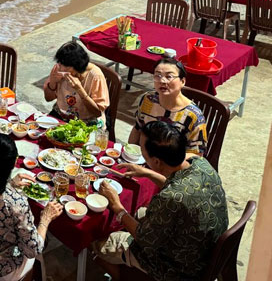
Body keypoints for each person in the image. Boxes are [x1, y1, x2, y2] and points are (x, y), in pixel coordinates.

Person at [94, 120, 228, 281]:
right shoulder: (200, 164)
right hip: (204, 251)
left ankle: (128, 276)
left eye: (143, 152)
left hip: (180, 269)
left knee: (98, 243)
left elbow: (143, 238)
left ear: (157, 161)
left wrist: (116, 206)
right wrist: (147, 172)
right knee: (138, 212)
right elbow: (179, 188)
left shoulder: (170, 198)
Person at [0, 134, 63, 281]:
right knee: (38, 245)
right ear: (14, 162)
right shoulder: (16, 203)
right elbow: (33, 250)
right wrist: (45, 219)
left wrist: (10, 184)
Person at [128, 57, 207, 156]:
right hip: (145, 157)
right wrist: (129, 154)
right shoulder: (148, 99)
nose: (162, 81)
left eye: (169, 76)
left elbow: (197, 154)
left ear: (182, 81)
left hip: (174, 163)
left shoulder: (193, 115)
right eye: (158, 75)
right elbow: (137, 128)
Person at [43, 41, 109, 124]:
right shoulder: (59, 69)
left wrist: (79, 89)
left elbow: (97, 112)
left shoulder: (96, 76)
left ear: (77, 66)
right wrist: (52, 83)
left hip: (86, 121)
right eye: (59, 63)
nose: (61, 68)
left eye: (65, 66)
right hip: (61, 114)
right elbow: (48, 98)